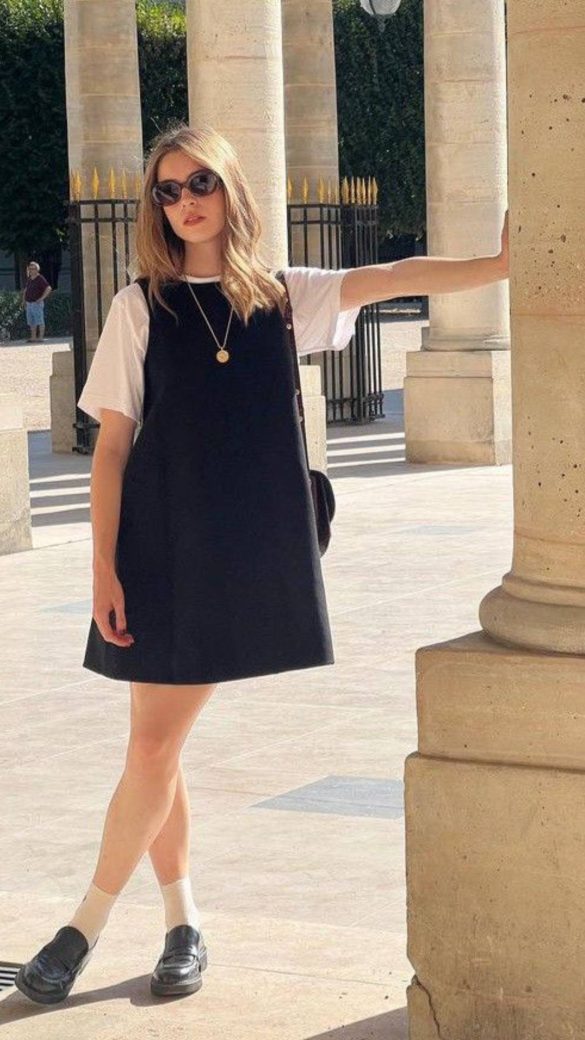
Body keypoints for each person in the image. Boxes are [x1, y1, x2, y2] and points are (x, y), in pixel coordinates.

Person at [14, 122, 509, 1006]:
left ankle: (87, 928)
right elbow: (111, 451)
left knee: (154, 745)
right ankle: (176, 924)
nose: (185, 201)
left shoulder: (285, 298)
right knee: (154, 747)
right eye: (167, 190)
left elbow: (396, 276)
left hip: (237, 552)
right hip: (156, 549)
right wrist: (101, 570)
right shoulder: (138, 307)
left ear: (230, 189)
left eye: (199, 182)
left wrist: (498, 267)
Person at [22, 261, 52, 342]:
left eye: (33, 269)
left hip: (36, 303)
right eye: (30, 269)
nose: (31, 270)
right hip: (29, 303)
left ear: (37, 269)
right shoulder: (29, 279)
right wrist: (24, 300)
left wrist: (41, 298)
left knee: (39, 321)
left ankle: (41, 337)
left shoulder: (40, 278)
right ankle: (33, 337)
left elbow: (48, 288)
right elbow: (26, 290)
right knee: (31, 322)